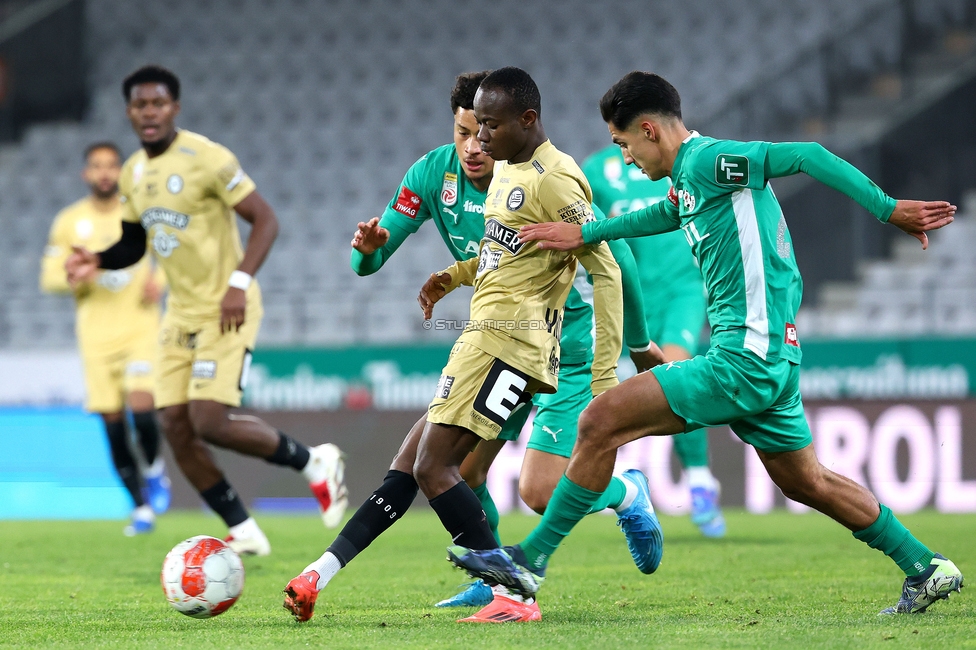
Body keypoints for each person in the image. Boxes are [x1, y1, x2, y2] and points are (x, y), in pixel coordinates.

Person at [449, 71, 964, 616]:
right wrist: (587, 233)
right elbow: (664, 213)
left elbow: (808, 154)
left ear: (648, 129)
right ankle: (927, 566)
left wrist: (888, 209)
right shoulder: (692, 183)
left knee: (600, 420)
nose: (624, 159)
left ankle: (528, 564)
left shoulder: (710, 161)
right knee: (807, 481)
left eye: (624, 144)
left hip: (745, 357)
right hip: (771, 358)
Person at [284, 67, 661, 624]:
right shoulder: (451, 174)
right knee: (434, 468)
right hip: (491, 338)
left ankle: (584, 529)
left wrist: (629, 353)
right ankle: (323, 574)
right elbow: (494, 256)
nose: (475, 143)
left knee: (506, 483)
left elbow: (609, 259)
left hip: (543, 343)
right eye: (468, 129)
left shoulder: (546, 176)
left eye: (485, 128)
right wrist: (445, 271)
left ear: (520, 122)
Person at [65, 65, 347, 556]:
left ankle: (314, 462)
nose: (149, 113)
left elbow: (266, 219)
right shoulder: (133, 171)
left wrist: (239, 282)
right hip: (180, 314)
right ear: (129, 111)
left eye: (158, 104)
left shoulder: (207, 157)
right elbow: (134, 242)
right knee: (174, 425)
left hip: (226, 307)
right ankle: (242, 528)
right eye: (139, 105)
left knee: (209, 420)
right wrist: (98, 258)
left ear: (174, 107)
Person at [582, 145, 725, 537]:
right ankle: (607, 482)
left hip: (683, 288)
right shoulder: (595, 171)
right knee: (624, 393)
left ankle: (698, 482)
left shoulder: (673, 161)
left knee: (676, 373)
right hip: (631, 294)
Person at [41, 141, 171, 536]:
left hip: (139, 330)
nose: (104, 173)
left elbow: (168, 254)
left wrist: (160, 281)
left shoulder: (136, 213)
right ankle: (141, 507)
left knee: (143, 408)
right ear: (86, 173)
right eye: (96, 166)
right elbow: (48, 278)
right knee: (113, 428)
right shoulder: (69, 221)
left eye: (111, 165)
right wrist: (72, 276)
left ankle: (153, 468)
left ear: (120, 171)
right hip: (96, 339)